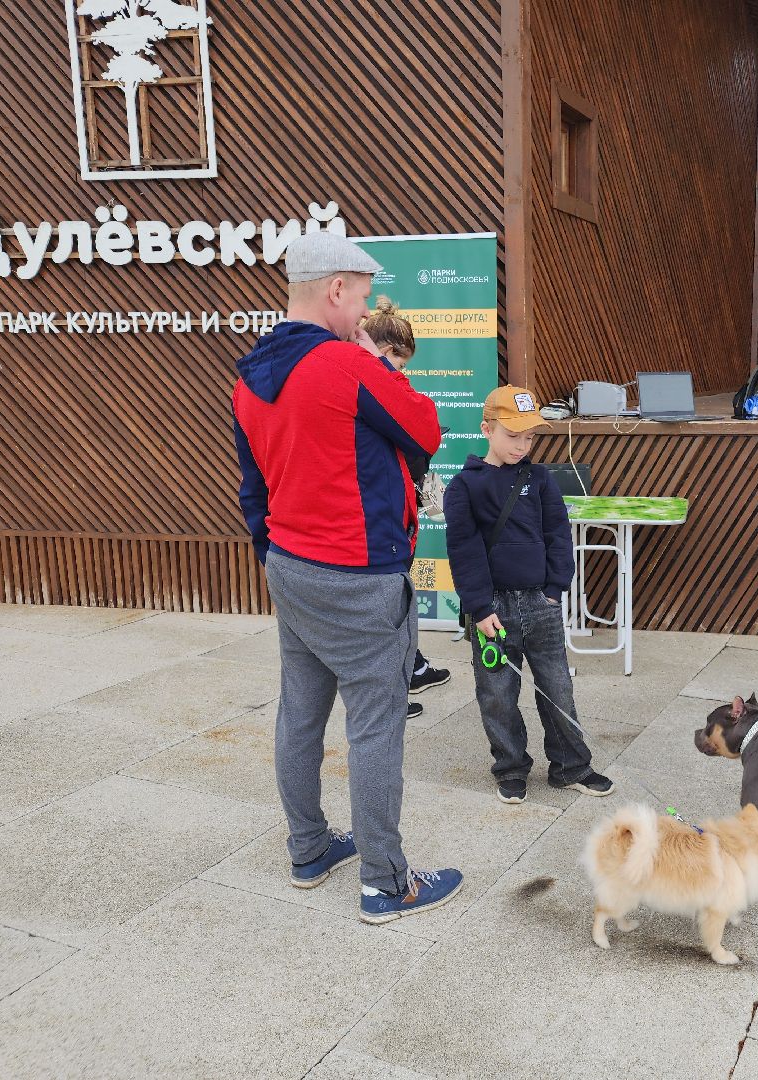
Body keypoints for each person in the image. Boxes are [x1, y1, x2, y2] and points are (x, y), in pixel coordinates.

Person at [232, 231, 463, 922]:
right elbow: (425, 429)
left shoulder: (248, 372)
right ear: (335, 289)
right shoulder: (346, 365)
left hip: (290, 566)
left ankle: (309, 848)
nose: (365, 316)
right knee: (375, 723)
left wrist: (275, 556)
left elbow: (254, 488)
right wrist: (373, 362)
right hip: (360, 575)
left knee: (300, 711)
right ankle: (386, 884)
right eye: (361, 299)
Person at [444, 386, 614, 805]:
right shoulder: (464, 486)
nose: (521, 445)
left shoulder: (539, 479)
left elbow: (558, 534)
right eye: (511, 435)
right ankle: (510, 767)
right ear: (487, 429)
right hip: (493, 611)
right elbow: (463, 551)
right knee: (498, 695)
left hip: (541, 603)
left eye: (529, 437)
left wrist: (555, 590)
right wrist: (479, 608)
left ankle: (571, 766)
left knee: (557, 688)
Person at [360, 296, 452, 704]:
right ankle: (395, 686)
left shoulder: (381, 385)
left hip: (394, 517)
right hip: (378, 524)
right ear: (383, 352)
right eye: (400, 364)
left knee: (397, 602)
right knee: (387, 609)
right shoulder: (369, 385)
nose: (404, 373)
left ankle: (408, 670)